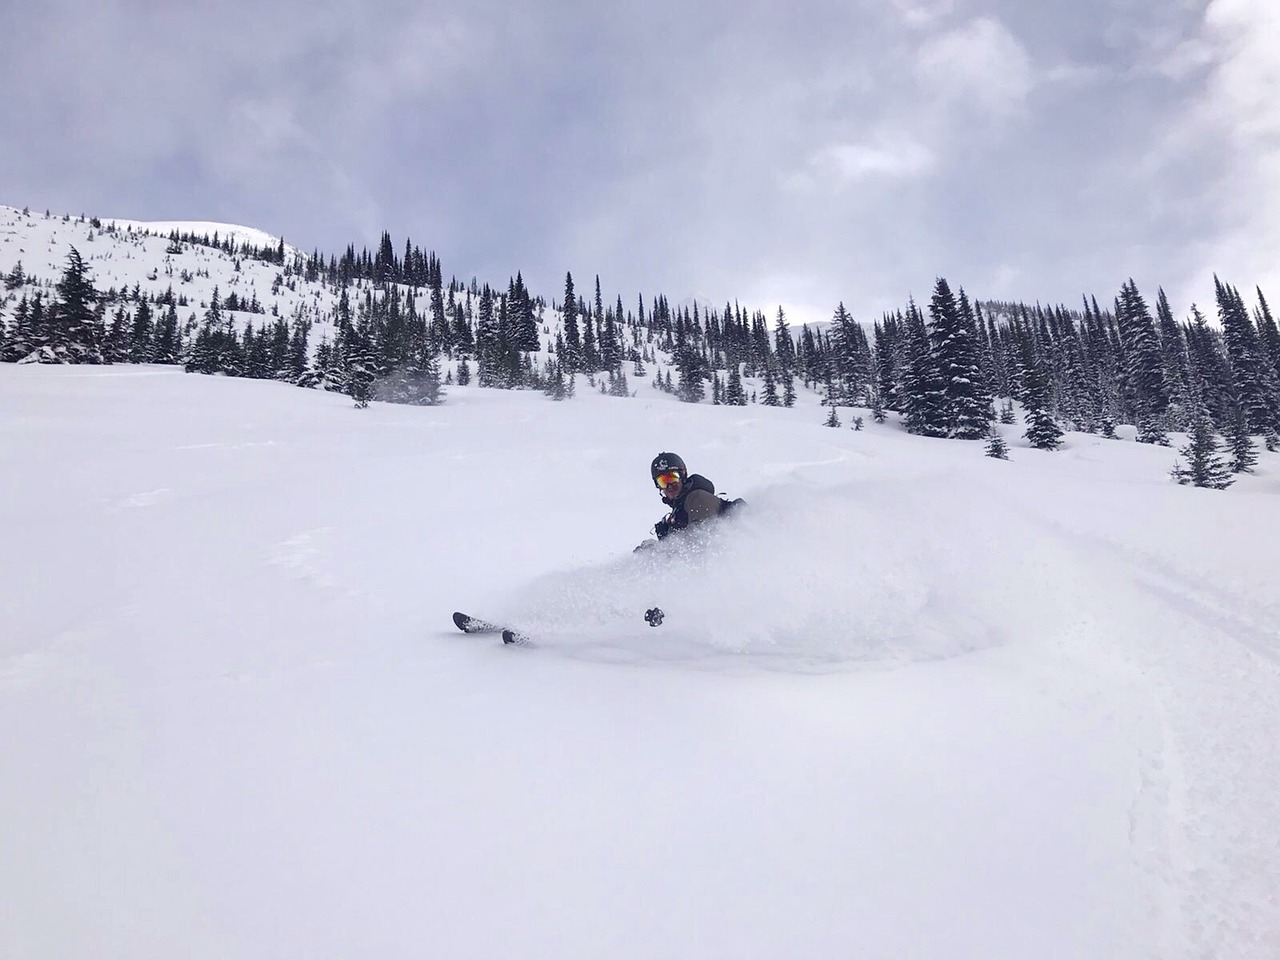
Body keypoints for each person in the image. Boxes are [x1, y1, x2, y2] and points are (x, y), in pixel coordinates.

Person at [639, 452, 744, 549]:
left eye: (672, 478)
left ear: (682, 475)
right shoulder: (680, 509)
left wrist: (658, 551)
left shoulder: (697, 498)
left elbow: (703, 544)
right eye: (663, 482)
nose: (669, 486)